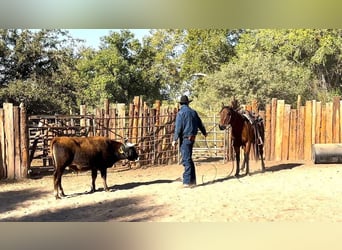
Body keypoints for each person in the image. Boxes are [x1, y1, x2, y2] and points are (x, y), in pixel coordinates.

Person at [172, 95, 207, 188]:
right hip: (192, 138)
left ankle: (187, 181)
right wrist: (204, 132)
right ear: (188, 103)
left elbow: (178, 128)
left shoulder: (181, 113)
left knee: (186, 159)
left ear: (181, 104)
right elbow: (200, 124)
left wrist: (174, 139)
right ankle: (193, 180)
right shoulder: (193, 112)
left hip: (185, 138)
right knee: (189, 159)